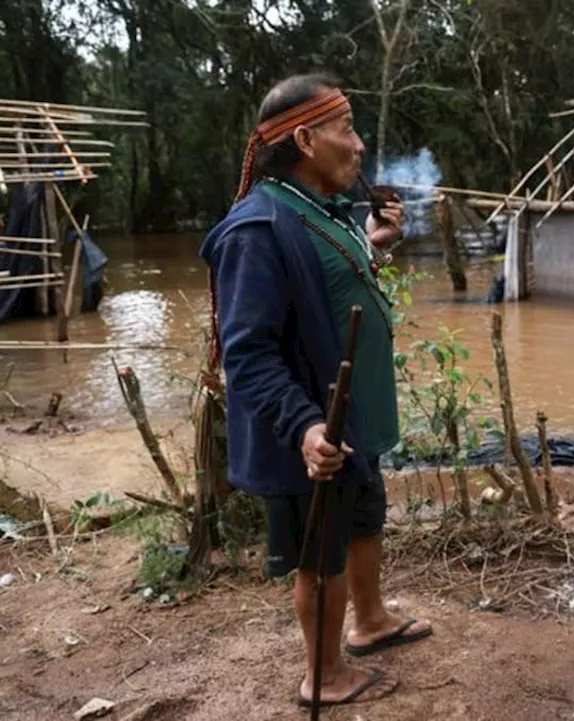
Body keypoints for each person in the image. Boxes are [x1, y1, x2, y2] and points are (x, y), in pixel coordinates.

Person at [198, 72, 432, 708]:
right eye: (347, 128)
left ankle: (371, 621)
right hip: (312, 432)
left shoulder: (319, 213)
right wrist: (304, 427)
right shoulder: (257, 230)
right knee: (320, 549)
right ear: (304, 138)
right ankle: (323, 676)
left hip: (352, 423)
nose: (359, 146)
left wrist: (374, 246)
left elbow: (326, 287)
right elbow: (246, 354)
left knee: (363, 515)